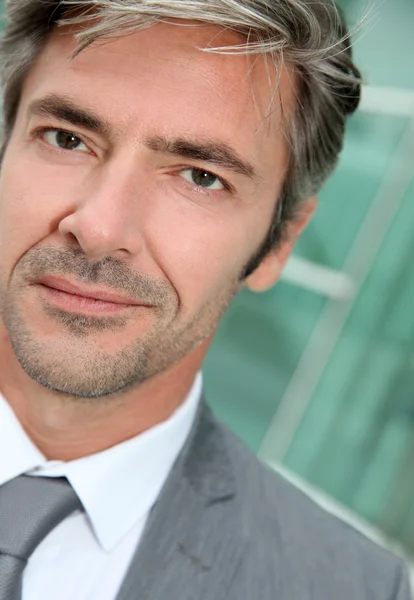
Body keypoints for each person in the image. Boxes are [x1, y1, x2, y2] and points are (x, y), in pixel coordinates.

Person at [0, 0, 410, 598]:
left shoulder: (351, 588)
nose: (100, 227)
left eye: (200, 177)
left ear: (277, 245)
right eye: (67, 139)